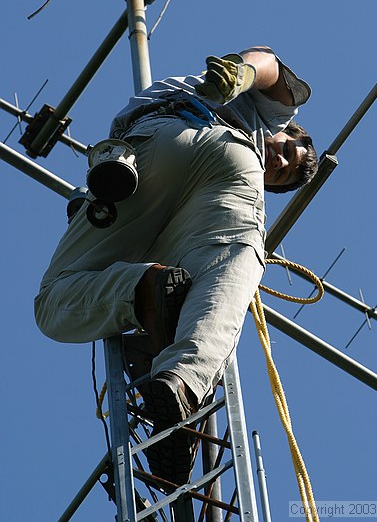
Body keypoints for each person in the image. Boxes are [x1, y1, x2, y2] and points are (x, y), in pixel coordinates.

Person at [34, 46, 317, 488]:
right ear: (291, 131)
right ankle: (183, 367)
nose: (280, 162)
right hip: (201, 137)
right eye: (288, 152)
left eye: (281, 175)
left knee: (227, 265)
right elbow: (273, 66)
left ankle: (172, 362)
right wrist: (242, 73)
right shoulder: (263, 117)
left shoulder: (258, 154)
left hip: (183, 167)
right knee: (237, 255)